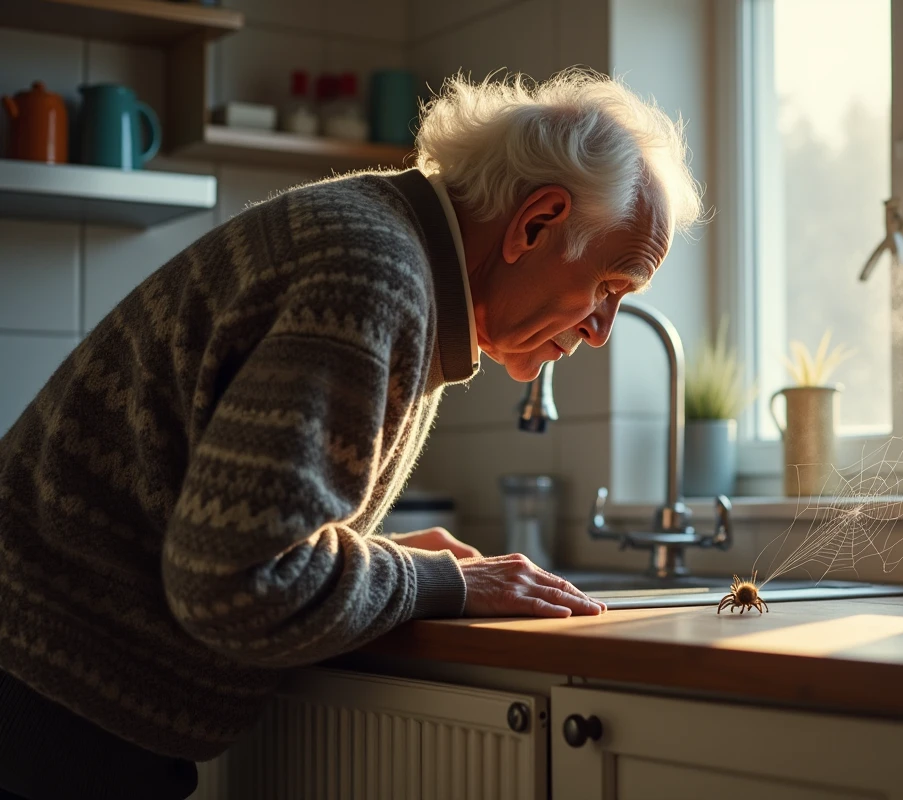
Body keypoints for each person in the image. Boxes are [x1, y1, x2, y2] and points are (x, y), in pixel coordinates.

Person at [0, 69, 702, 798]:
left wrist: (381, 559)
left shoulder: (386, 243)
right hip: (44, 711)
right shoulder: (374, 276)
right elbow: (240, 585)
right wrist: (445, 582)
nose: (600, 331)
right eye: (609, 288)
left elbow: (237, 537)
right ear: (535, 222)